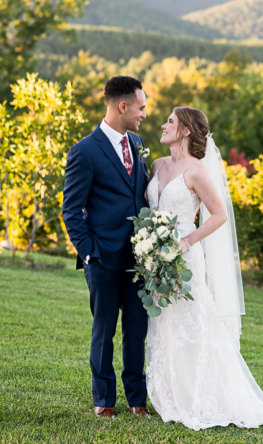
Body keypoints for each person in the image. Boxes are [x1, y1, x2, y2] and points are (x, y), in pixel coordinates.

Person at [145, 106, 263, 430]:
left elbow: (219, 214)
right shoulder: (157, 165)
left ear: (186, 131)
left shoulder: (196, 172)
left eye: (170, 122)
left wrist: (186, 242)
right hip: (154, 256)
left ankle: (199, 396)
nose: (163, 125)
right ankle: (167, 393)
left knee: (192, 326)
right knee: (163, 324)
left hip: (184, 255)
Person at [61, 76, 152, 420]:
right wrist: (89, 253)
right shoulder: (84, 150)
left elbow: (140, 194)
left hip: (141, 258)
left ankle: (137, 400)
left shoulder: (138, 142)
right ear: (122, 106)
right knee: (104, 331)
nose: (144, 113)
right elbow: (71, 209)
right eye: (141, 107)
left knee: (136, 330)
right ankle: (104, 400)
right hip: (102, 258)